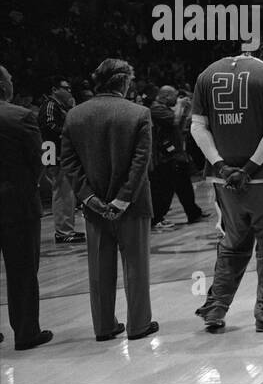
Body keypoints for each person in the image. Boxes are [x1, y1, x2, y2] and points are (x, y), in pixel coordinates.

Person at [190, 50, 263, 332]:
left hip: (223, 181)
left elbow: (197, 128)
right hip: (261, 178)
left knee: (232, 244)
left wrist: (221, 166)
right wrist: (248, 169)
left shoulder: (206, 74)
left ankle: (215, 308)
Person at [60, 59, 159, 341]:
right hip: (133, 205)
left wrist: (89, 198)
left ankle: (104, 327)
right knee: (136, 268)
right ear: (125, 83)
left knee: (99, 271)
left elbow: (69, 162)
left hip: (94, 209)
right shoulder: (139, 113)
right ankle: (138, 325)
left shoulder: (75, 115)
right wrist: (123, 199)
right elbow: (141, 163)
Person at [0, 65, 54, 349]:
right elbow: (37, 163)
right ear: (2, 85)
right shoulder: (20, 117)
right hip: (17, 204)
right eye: (9, 78)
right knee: (21, 270)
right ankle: (26, 332)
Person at [148, 85, 207, 229]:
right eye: (175, 96)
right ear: (166, 97)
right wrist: (180, 105)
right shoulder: (156, 109)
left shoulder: (166, 109)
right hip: (164, 157)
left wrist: (185, 110)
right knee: (165, 190)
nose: (177, 99)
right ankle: (156, 219)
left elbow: (178, 127)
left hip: (176, 155)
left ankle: (193, 213)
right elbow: (174, 121)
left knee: (184, 186)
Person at [38, 76, 84, 244]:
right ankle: (63, 232)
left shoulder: (60, 106)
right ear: (55, 90)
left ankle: (66, 229)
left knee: (67, 193)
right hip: (53, 153)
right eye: (66, 88)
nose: (69, 92)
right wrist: (69, 135)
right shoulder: (50, 105)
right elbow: (48, 126)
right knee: (62, 193)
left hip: (57, 153)